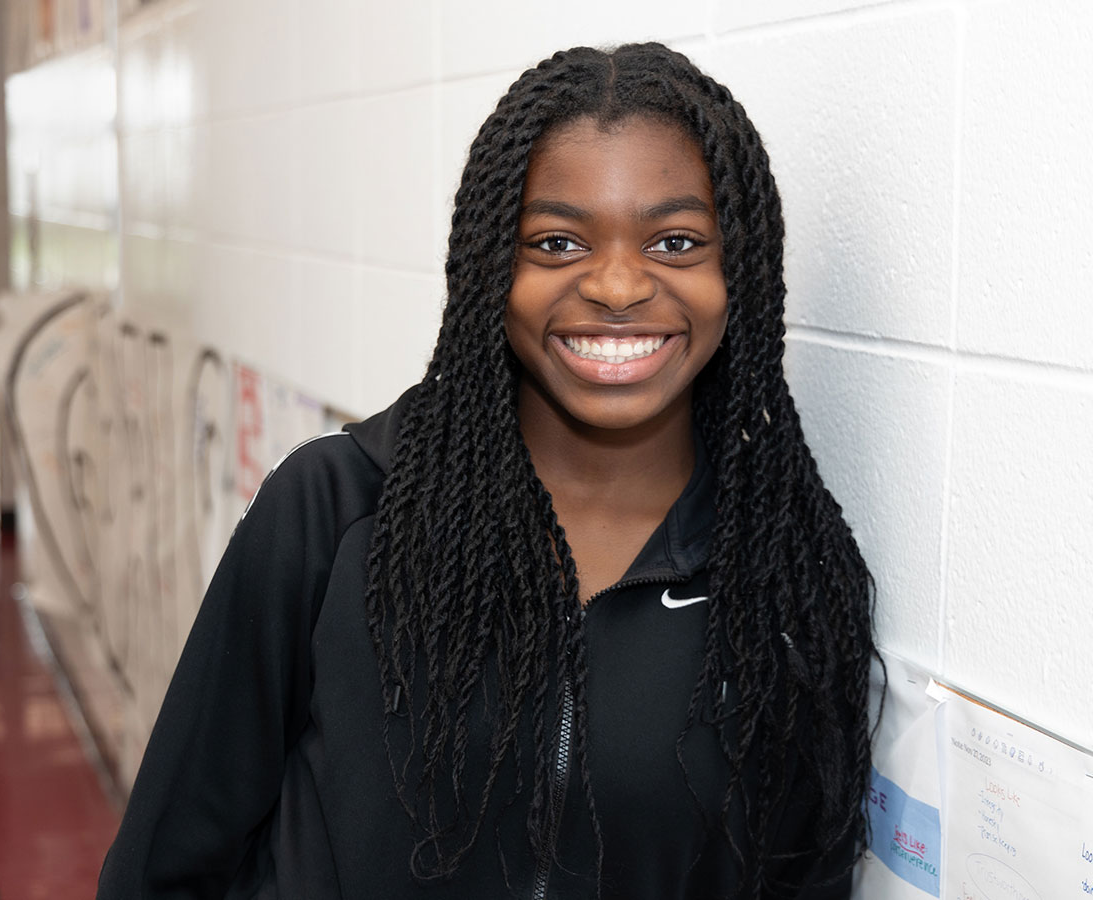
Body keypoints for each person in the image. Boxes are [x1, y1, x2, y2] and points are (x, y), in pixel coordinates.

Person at [97, 42, 878, 900]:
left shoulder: (787, 583)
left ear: (741, 274)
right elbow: (163, 868)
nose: (618, 285)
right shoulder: (335, 512)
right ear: (488, 271)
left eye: (676, 241)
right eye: (555, 241)